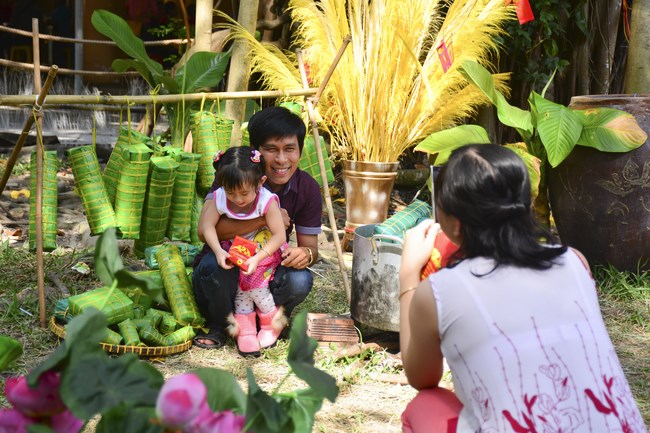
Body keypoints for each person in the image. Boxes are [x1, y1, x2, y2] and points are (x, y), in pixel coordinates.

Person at [398, 144, 647, 433]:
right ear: (526, 205)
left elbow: (422, 378)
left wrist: (408, 276)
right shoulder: (574, 261)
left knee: (424, 406)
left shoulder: (440, 291)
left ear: (453, 222)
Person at [192, 106, 321, 349]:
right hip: (226, 270)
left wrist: (305, 254)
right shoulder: (232, 175)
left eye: (289, 149)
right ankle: (221, 325)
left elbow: (311, 249)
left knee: (300, 280)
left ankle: (268, 322)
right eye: (271, 149)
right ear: (255, 151)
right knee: (213, 268)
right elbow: (204, 231)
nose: (281, 159)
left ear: (300, 150)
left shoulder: (308, 188)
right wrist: (264, 220)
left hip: (264, 270)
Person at [201, 146, 288, 356]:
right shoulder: (220, 197)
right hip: (236, 252)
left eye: (244, 193)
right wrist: (218, 251)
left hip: (264, 251)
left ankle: (270, 321)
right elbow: (207, 226)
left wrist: (258, 258)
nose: (237, 199)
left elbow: (279, 236)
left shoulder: (266, 201)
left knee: (255, 285)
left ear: (260, 182)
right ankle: (246, 331)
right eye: (230, 192)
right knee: (242, 290)